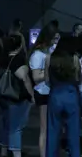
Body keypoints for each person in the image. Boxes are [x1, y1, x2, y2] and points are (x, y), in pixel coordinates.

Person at [45, 38, 82, 157]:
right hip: (71, 95)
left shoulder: (49, 58)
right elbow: (78, 79)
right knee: (73, 134)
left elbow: (47, 80)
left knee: (52, 132)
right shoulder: (75, 59)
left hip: (55, 94)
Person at [0, 34, 34, 157]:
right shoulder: (18, 59)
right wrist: (32, 95)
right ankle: (16, 153)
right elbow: (24, 78)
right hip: (16, 97)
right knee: (16, 127)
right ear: (19, 46)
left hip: (3, 96)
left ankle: (3, 150)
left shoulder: (2, 58)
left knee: (7, 123)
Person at [28, 23, 58, 157]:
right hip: (43, 93)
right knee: (44, 129)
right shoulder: (37, 55)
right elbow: (35, 77)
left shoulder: (52, 51)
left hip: (54, 92)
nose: (55, 41)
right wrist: (47, 73)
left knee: (54, 128)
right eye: (53, 38)